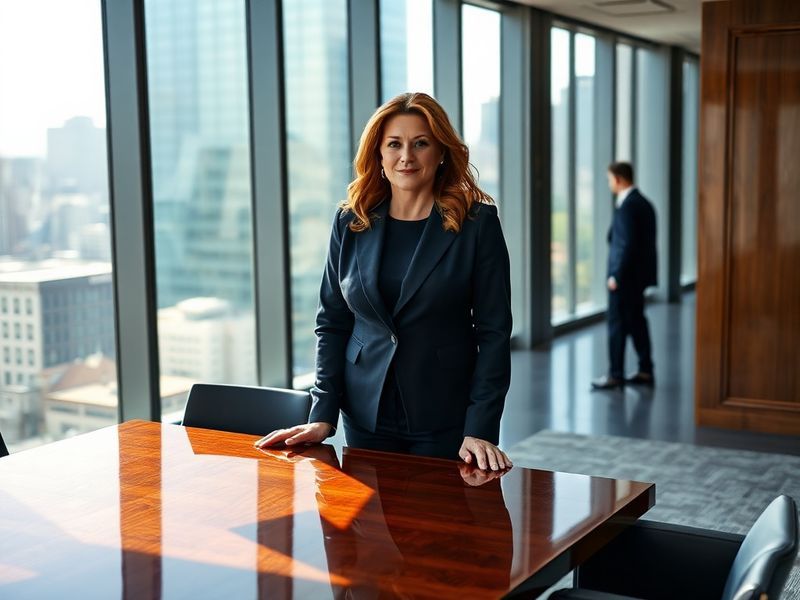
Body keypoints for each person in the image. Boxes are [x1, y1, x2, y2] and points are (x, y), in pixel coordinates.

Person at [257, 92, 513, 471]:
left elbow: (493, 332)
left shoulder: (477, 225)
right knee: (366, 526)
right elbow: (332, 322)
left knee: (436, 525)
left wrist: (481, 427)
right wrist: (323, 412)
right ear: (378, 154)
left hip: (444, 412)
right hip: (365, 412)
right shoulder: (351, 222)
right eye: (394, 144)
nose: (406, 156)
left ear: (441, 152)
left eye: (420, 143)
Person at [592, 161, 657, 390]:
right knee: (637, 321)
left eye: (610, 179)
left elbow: (625, 244)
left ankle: (615, 375)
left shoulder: (628, 206)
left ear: (618, 179)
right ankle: (645, 369)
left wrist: (615, 276)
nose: (609, 184)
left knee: (617, 325)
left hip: (625, 278)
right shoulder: (644, 203)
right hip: (637, 278)